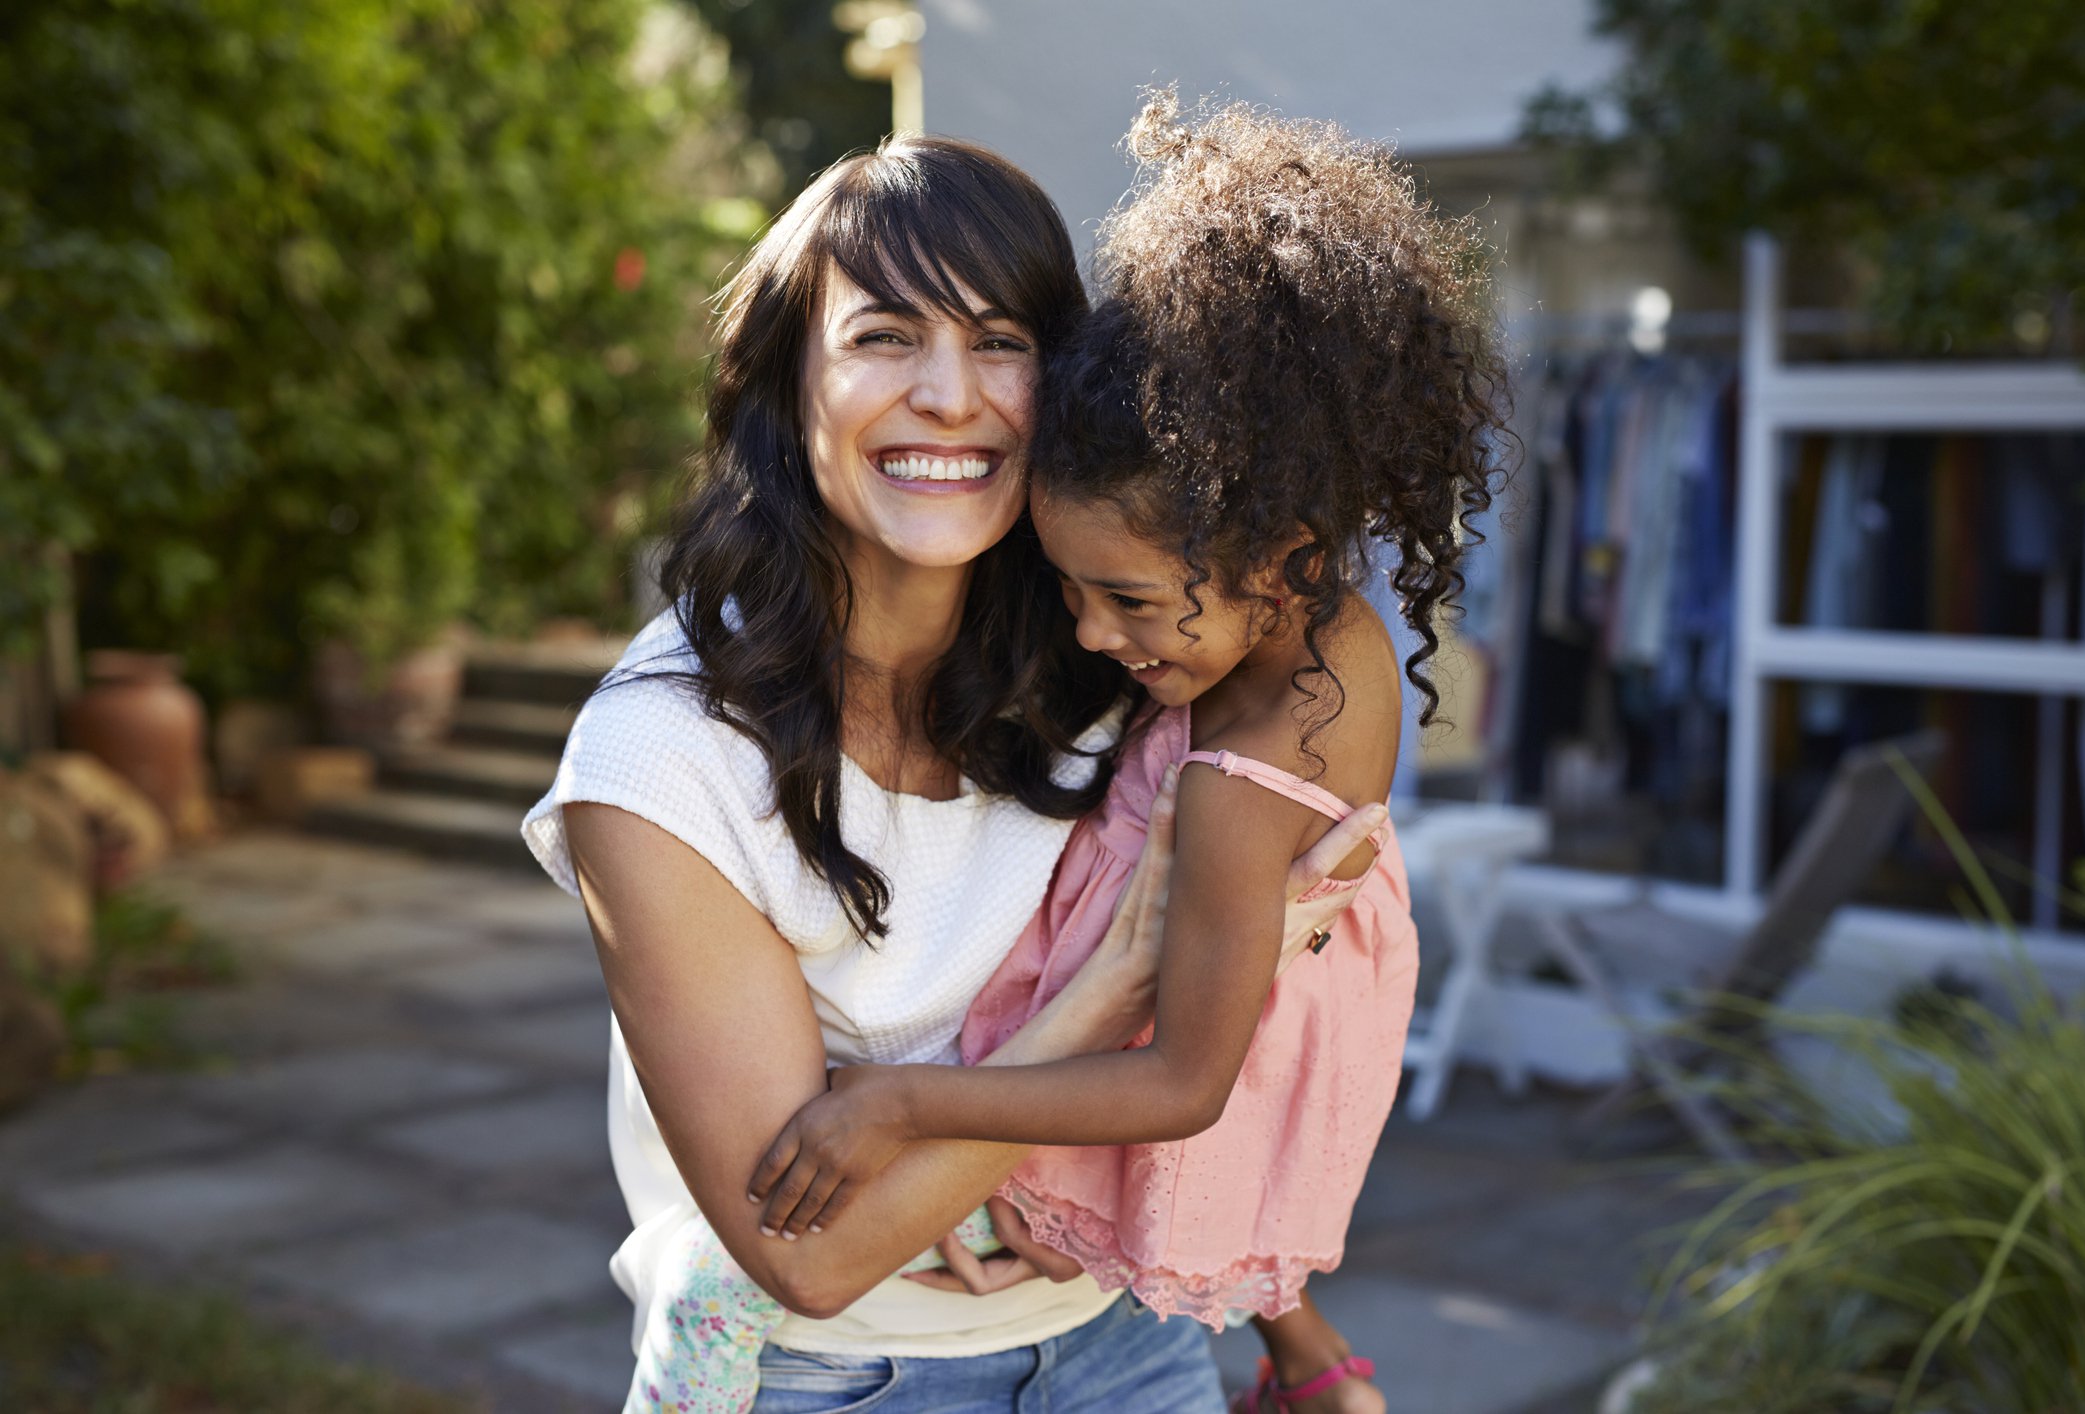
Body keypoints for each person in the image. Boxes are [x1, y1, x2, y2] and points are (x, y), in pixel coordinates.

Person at [521, 131, 1379, 1414]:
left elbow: (1256, 1023)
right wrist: (1118, 987)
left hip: (1125, 1344)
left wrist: (1306, 1350)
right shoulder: (662, 761)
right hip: (840, 1374)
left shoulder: (1121, 649)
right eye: (882, 338)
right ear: (787, 383)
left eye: (998, 340)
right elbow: (807, 1254)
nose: (949, 394)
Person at [747, 96, 1505, 1414]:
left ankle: (1295, 1348)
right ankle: (1311, 1356)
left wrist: (908, 1111)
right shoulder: (1336, 638)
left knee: (881, 1234)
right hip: (1204, 1044)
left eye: (1132, 603)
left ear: (1280, 556)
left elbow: (1184, 1075)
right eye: (1073, 589)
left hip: (1107, 1110)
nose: (1093, 633)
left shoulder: (1229, 786)